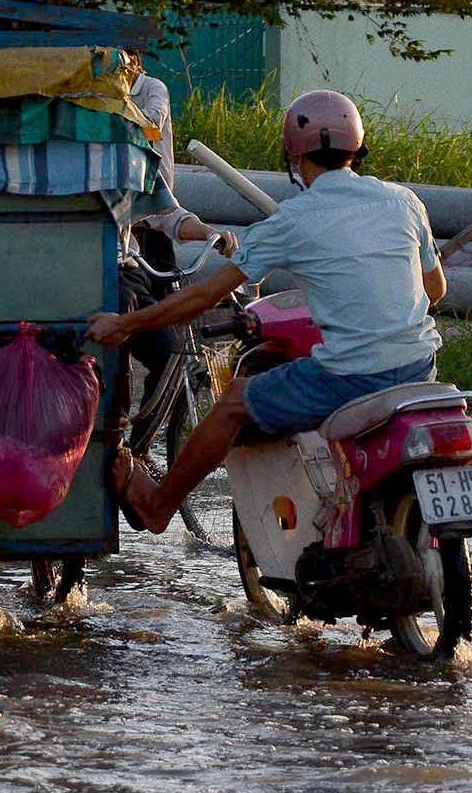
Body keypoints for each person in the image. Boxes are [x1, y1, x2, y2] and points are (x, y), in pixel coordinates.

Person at [86, 90, 446, 533]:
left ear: (294, 158)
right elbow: (436, 289)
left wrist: (125, 324)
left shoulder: (292, 220)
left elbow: (202, 298)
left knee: (233, 403)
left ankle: (158, 505)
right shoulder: (406, 201)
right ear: (358, 148)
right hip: (419, 370)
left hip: (353, 379)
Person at [115, 50, 238, 401]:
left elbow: (164, 215)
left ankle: (135, 445)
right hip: (107, 263)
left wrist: (211, 234)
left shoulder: (136, 165)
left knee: (164, 338)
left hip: (137, 247)